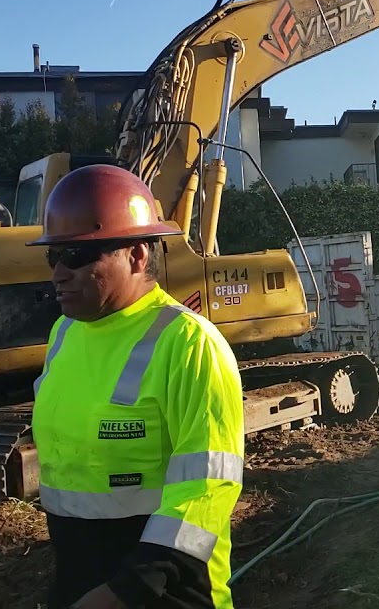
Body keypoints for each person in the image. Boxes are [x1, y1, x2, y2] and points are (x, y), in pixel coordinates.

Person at [28, 164, 245, 609]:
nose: (58, 274)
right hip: (80, 579)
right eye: (54, 256)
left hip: (163, 589)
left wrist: (124, 592)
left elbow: (205, 492)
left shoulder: (188, 344)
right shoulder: (64, 334)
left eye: (76, 256)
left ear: (138, 255)